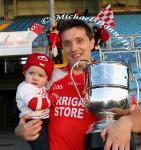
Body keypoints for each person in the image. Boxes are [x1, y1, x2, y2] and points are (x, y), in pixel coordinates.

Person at [15, 19, 96, 150]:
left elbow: (134, 113)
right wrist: (19, 131)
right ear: (62, 48)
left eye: (79, 41)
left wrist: (127, 123)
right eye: (67, 43)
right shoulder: (51, 77)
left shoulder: (105, 75)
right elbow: (26, 104)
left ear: (92, 42)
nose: (74, 48)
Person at [16, 53, 58, 150]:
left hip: (43, 120)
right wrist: (53, 98)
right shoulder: (26, 87)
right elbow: (34, 104)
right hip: (34, 122)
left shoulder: (41, 87)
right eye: (31, 73)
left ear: (47, 79)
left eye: (41, 75)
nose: (35, 77)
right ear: (24, 73)